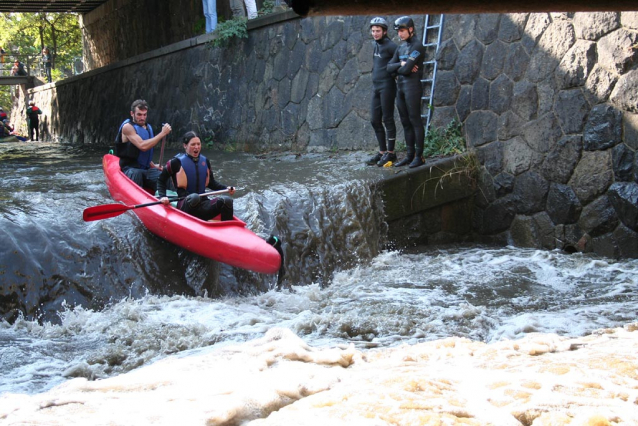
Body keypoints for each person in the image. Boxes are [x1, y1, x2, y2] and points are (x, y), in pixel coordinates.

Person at [158, 131, 236, 221]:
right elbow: (161, 180)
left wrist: (227, 188)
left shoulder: (205, 161)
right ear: (185, 146)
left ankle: (227, 230)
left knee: (227, 201)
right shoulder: (175, 162)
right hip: (186, 204)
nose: (196, 147)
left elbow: (212, 183)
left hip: (204, 204)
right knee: (195, 197)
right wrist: (162, 196)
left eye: (198, 144)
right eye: (193, 144)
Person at [387, 16, 426, 168]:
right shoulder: (400, 48)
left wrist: (401, 68)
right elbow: (389, 68)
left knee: (415, 120)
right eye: (398, 32)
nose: (400, 34)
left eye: (402, 31)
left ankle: (419, 156)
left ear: (411, 29)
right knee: (405, 122)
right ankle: (409, 156)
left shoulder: (417, 46)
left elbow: (405, 69)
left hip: (413, 87)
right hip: (401, 88)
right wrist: (401, 65)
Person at [114, 99, 172, 193]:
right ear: (132, 113)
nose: (142, 117)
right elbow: (142, 146)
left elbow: (143, 155)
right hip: (131, 169)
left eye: (144, 115)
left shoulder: (148, 127)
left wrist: (153, 166)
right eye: (139, 114)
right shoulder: (128, 127)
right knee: (136, 174)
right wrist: (162, 134)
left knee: (166, 178)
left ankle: (172, 200)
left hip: (146, 169)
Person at [366, 17, 398, 167]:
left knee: (388, 119)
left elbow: (402, 58)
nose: (375, 33)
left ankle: (391, 154)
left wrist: (408, 65)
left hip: (387, 86)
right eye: (373, 31)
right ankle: (382, 152)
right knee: (374, 120)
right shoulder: (375, 45)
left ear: (385, 31)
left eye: (378, 31)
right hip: (376, 87)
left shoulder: (391, 46)